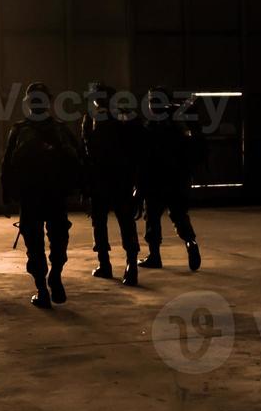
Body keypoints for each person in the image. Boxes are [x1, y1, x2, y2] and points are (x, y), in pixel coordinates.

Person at [1, 83, 84, 308]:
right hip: (55, 195)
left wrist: (7, 197)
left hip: (31, 197)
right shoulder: (60, 129)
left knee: (34, 243)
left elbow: (7, 164)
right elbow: (78, 159)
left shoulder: (19, 130)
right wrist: (79, 189)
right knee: (58, 239)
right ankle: (55, 276)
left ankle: (41, 289)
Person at [82, 83, 144, 287]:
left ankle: (105, 265)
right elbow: (138, 150)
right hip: (121, 179)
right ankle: (131, 267)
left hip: (101, 179)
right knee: (126, 222)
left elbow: (86, 152)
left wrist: (86, 184)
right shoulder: (126, 117)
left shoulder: (91, 119)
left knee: (99, 223)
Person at [138, 88, 203, 271]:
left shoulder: (151, 126)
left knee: (152, 218)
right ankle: (190, 242)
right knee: (179, 215)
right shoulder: (179, 124)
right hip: (177, 180)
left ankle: (155, 256)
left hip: (156, 182)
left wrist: (140, 184)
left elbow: (144, 158)